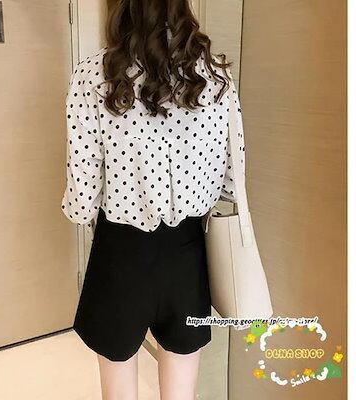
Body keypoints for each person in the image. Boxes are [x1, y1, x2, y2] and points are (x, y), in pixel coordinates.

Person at [61, 1, 245, 399]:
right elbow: (232, 178)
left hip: (120, 254)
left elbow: (82, 193)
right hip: (186, 256)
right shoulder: (216, 76)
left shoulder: (94, 73)